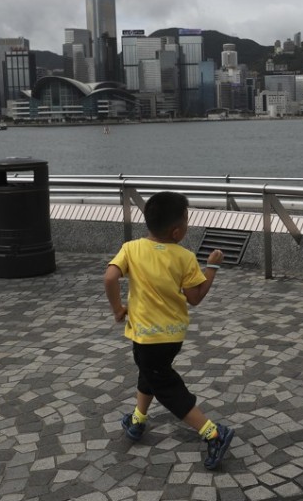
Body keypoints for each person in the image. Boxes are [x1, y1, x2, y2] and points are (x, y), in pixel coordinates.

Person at [103, 191, 234, 470]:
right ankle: (138, 419)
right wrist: (211, 268)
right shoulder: (184, 257)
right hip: (172, 336)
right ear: (177, 231)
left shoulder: (131, 248)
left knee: (165, 384)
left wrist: (117, 309)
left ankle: (214, 433)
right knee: (150, 371)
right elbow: (195, 297)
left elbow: (110, 277)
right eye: (187, 222)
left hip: (145, 335)